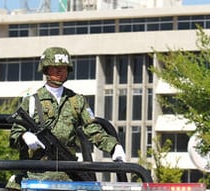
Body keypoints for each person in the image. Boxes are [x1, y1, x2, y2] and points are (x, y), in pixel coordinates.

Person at [9, 46, 126, 180]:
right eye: (55, 67)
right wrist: (25, 136)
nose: (60, 71)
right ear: (46, 69)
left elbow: (93, 130)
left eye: (63, 68)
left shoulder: (76, 100)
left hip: (68, 173)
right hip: (35, 174)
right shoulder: (31, 101)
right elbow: (14, 135)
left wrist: (114, 147)